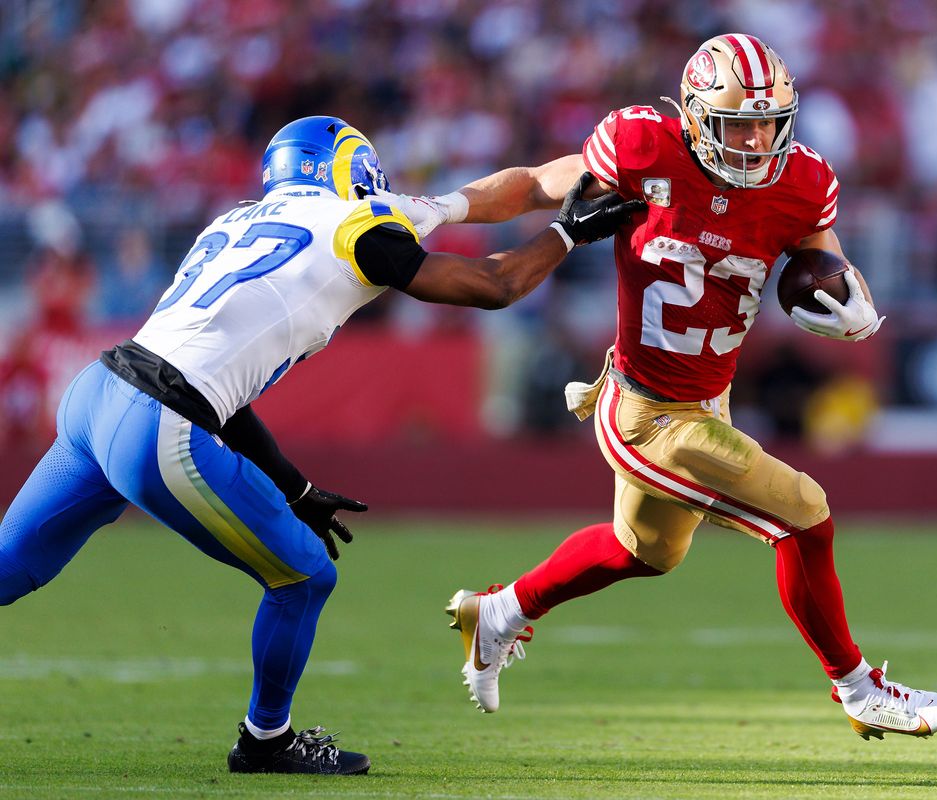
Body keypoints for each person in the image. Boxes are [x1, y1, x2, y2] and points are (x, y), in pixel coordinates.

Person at [0, 116, 642, 775]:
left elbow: (222, 387)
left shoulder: (231, 222)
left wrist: (294, 485)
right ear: (348, 166)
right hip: (158, 421)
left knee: (12, 565)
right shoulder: (356, 222)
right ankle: (266, 740)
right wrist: (567, 234)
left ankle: (267, 737)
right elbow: (494, 283)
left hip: (96, 395)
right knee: (305, 575)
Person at [430, 34, 937, 739]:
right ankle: (858, 688)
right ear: (693, 117)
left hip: (709, 398)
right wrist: (438, 208)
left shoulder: (801, 182)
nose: (754, 139)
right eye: (737, 122)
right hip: (645, 410)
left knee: (645, 551)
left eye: (768, 123)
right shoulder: (642, 148)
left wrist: (850, 302)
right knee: (803, 512)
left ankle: (498, 613)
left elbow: (826, 266)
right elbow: (534, 183)